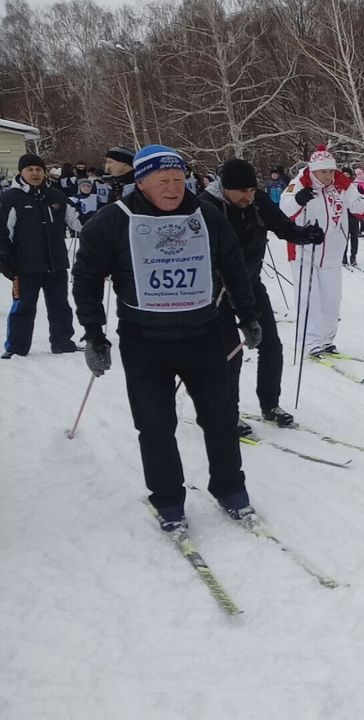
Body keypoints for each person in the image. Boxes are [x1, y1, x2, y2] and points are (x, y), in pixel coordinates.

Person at [71, 144, 263, 532]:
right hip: (145, 340)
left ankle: (229, 488)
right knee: (156, 426)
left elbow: (234, 268)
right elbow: (86, 279)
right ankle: (169, 499)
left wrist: (248, 316)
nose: (174, 189)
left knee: (220, 418)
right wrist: (94, 334)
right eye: (163, 181)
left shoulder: (206, 216)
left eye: (179, 180)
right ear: (141, 182)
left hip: (204, 335)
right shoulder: (113, 221)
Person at [200, 158, 325, 432]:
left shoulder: (257, 200)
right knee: (230, 354)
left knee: (271, 345)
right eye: (241, 191)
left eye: (251, 189)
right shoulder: (206, 207)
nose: (247, 196)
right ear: (225, 188)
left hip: (251, 285)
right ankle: (225, 412)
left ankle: (270, 404)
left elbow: (282, 227)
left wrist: (305, 235)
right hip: (216, 291)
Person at [279, 145, 364, 355]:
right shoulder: (299, 184)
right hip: (304, 252)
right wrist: (298, 200)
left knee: (332, 299)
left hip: (332, 252)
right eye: (324, 171)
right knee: (309, 298)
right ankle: (310, 342)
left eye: (331, 171)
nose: (329, 175)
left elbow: (356, 205)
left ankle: (327, 339)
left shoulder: (341, 184)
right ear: (314, 170)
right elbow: (283, 211)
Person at [0, 154, 82, 358]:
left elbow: (79, 222)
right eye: (30, 170)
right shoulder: (11, 198)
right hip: (24, 266)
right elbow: (3, 232)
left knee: (60, 305)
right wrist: (5, 260)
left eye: (38, 169)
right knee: (23, 307)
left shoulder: (56, 196)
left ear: (44, 172)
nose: (35, 173)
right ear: (22, 172)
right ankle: (16, 348)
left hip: (56, 264)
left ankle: (63, 342)